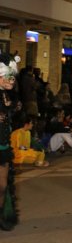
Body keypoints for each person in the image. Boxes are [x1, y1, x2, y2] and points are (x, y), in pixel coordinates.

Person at [0, 52, 21, 231]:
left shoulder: (7, 96)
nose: (11, 81)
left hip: (3, 147)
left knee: (3, 185)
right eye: (8, 77)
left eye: (12, 78)